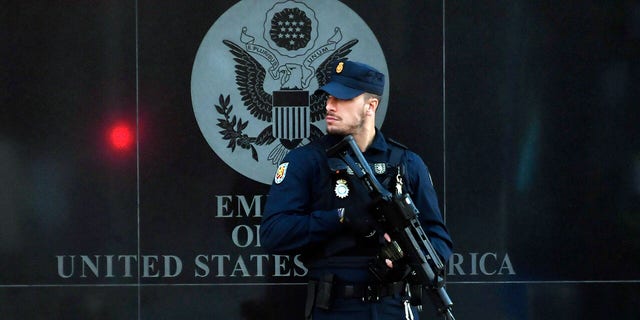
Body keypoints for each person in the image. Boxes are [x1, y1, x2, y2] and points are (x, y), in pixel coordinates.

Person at [260, 59, 453, 319]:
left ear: (371, 105)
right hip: (335, 307)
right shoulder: (305, 161)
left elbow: (438, 239)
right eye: (329, 97)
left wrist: (404, 264)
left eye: (342, 99)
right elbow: (274, 234)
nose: (329, 105)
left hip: (393, 308)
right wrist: (340, 218)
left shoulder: (407, 164)